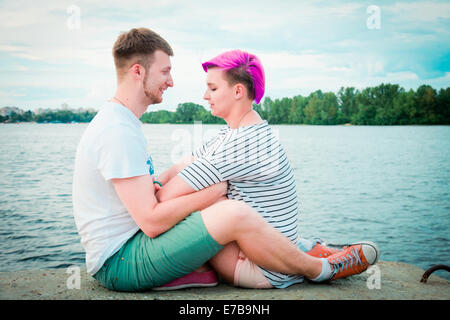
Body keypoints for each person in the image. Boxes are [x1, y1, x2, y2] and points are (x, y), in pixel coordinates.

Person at [72, 27, 379, 292]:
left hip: (134, 245)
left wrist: (166, 187)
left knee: (223, 208)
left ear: (237, 91)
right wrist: (212, 192)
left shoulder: (124, 124)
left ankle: (306, 251)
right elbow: (152, 220)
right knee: (230, 210)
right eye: (165, 71)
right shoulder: (118, 129)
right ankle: (319, 268)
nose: (172, 82)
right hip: (121, 259)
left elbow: (176, 174)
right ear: (138, 71)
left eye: (212, 87)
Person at [154, 50, 379, 289]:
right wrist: (159, 180)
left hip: (260, 269)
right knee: (209, 196)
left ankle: (313, 263)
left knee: (198, 206)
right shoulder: (241, 131)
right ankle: (310, 248)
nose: (205, 95)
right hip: (268, 246)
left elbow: (165, 198)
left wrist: (159, 190)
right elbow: (184, 164)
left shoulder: (241, 145)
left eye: (213, 88)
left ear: (238, 91)